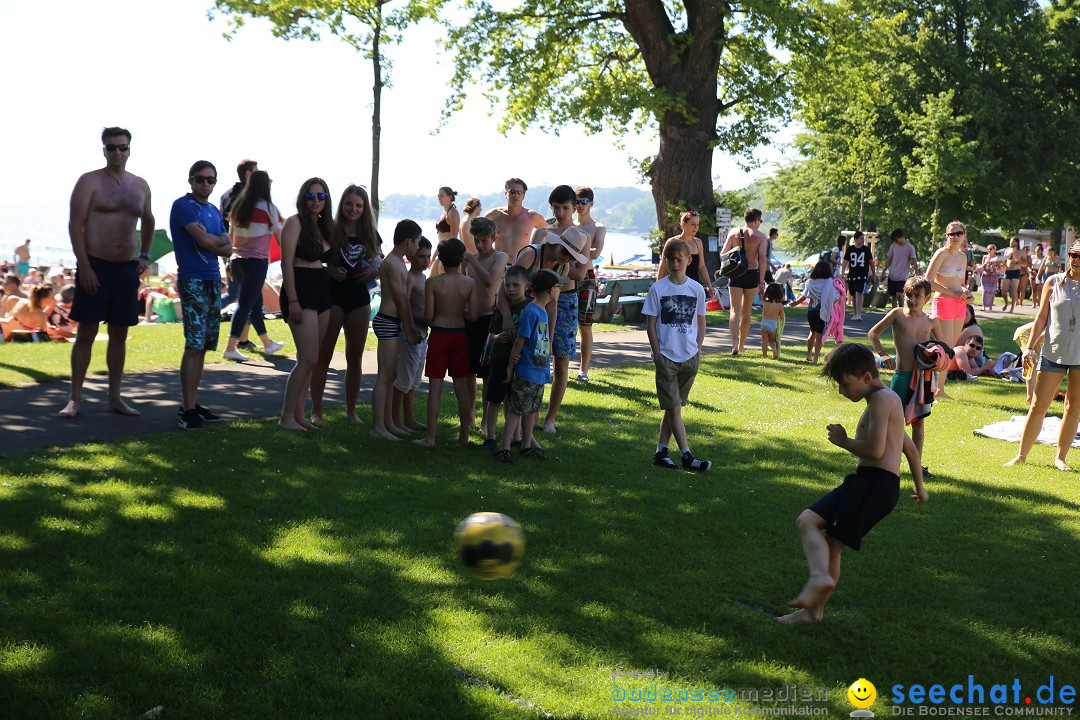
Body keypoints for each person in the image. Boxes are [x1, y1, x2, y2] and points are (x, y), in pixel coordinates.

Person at [778, 343, 927, 624]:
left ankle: (813, 611)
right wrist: (920, 487)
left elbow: (876, 451)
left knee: (833, 545)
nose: (842, 391)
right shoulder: (884, 400)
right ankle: (818, 587)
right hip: (865, 482)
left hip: (876, 485)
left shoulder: (883, 400)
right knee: (807, 520)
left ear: (866, 378)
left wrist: (845, 441)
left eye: (845, 384)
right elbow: (908, 448)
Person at [60, 127, 155, 419]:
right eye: (112, 147)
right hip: (95, 265)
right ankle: (74, 399)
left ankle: (115, 397)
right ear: (104, 150)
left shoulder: (140, 185)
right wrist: (84, 265)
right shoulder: (89, 182)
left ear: (129, 150)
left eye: (122, 147)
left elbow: (149, 220)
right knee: (86, 332)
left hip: (126, 268)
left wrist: (145, 256)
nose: (117, 153)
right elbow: (75, 224)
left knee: (119, 333)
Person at [310, 185, 383, 424]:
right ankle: (317, 411)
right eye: (349, 204)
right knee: (324, 356)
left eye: (359, 206)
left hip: (359, 300)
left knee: (355, 357)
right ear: (341, 205)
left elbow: (381, 262)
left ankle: (351, 411)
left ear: (365, 209)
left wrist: (373, 270)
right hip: (332, 298)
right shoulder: (329, 230)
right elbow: (313, 264)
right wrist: (329, 270)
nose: (354, 209)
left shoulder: (370, 233)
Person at [1006, 240, 1080, 472]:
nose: (1076, 259)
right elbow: (1040, 318)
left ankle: (1060, 457)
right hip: (1053, 352)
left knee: (1073, 407)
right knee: (1038, 405)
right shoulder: (1054, 282)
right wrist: (1028, 347)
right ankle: (1021, 455)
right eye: (1073, 254)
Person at [170, 161, 233, 429]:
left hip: (212, 280)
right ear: (190, 180)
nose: (205, 184)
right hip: (192, 279)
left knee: (204, 345)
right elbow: (208, 242)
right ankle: (187, 409)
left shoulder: (213, 211)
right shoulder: (183, 206)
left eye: (210, 180)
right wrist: (215, 241)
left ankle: (192, 403)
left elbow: (229, 248)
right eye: (200, 179)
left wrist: (215, 241)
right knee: (194, 343)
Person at [867, 275, 945, 476]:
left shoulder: (931, 321)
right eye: (909, 295)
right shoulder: (898, 314)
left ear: (927, 298)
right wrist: (883, 354)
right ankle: (885, 460)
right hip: (901, 376)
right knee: (893, 420)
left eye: (917, 296)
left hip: (922, 379)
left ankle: (916, 465)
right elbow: (873, 333)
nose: (912, 300)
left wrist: (936, 359)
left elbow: (944, 348)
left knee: (919, 423)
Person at [645, 239, 711, 472]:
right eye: (670, 259)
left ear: (688, 261)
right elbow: (650, 325)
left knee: (673, 408)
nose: (675, 263)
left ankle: (661, 452)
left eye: (679, 259)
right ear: (665, 260)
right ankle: (687, 456)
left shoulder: (696, 289)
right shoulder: (658, 289)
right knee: (673, 408)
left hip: (690, 357)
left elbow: (701, 321)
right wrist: (657, 354)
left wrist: (698, 348)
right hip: (667, 358)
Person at [278, 178, 334, 431]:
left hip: (321, 287)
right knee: (308, 359)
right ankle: (286, 417)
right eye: (311, 196)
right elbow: (286, 264)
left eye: (321, 197)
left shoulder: (323, 226)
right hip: (300, 288)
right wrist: (293, 301)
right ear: (303, 198)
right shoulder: (294, 222)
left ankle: (299, 415)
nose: (316, 201)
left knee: (311, 357)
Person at [414, 238, 479, 447]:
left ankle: (430, 437)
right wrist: (459, 310)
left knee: (435, 386)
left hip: (439, 334)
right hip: (459, 334)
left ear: (439, 259)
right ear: (462, 259)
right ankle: (464, 436)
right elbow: (474, 316)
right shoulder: (469, 283)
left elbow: (428, 315)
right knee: (461, 387)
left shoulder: (432, 282)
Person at [496, 268, 561, 463]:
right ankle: (505, 449)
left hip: (538, 373)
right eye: (557, 287)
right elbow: (520, 341)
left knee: (531, 411)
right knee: (516, 411)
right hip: (526, 372)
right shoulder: (531, 312)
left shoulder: (542, 312)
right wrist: (510, 367)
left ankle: (526, 446)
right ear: (551, 290)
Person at [221, 170, 285, 361]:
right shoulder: (268, 208)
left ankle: (268, 344)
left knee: (256, 304)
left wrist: (227, 261)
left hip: (237, 261)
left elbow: (230, 237)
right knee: (245, 304)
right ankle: (230, 347)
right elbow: (280, 238)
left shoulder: (239, 207)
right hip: (256, 263)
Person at [371, 220, 423, 439]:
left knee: (390, 375)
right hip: (387, 321)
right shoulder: (392, 263)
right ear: (409, 241)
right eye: (418, 243)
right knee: (385, 376)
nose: (418, 248)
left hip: (393, 322)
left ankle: (389, 423)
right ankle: (378, 428)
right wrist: (410, 327)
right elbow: (401, 300)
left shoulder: (398, 262)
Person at [462, 217, 508, 433]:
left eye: (484, 241)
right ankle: (470, 418)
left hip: (490, 320)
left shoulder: (500, 257)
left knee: (488, 374)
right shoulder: (470, 261)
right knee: (469, 371)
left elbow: (490, 281)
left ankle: (485, 423)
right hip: (470, 319)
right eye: (476, 241)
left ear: (494, 238)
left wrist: (472, 262)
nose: (480, 246)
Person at [482, 265, 531, 453]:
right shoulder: (501, 309)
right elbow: (490, 334)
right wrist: (496, 338)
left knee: (515, 400)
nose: (510, 289)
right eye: (507, 285)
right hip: (500, 357)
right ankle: (491, 437)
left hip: (521, 361)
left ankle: (515, 438)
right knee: (494, 398)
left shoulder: (529, 307)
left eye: (515, 285)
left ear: (526, 286)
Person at [925, 221, 973, 398]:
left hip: (958, 304)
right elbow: (928, 281)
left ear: (964, 235)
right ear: (946, 236)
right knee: (943, 347)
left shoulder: (962, 257)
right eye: (951, 234)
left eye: (958, 233)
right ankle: (934, 387)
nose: (955, 237)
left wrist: (965, 292)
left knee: (951, 348)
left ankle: (940, 389)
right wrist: (952, 292)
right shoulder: (941, 254)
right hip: (943, 302)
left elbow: (961, 284)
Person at [391, 237, 432, 433]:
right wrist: (424, 318)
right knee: (403, 379)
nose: (426, 260)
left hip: (423, 333)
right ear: (410, 257)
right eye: (421, 256)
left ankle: (409, 418)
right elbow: (404, 305)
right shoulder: (410, 278)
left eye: (429, 256)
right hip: (411, 333)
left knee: (414, 379)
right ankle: (395, 420)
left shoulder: (424, 278)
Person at [719, 208, 769, 355]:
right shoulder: (761, 237)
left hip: (736, 274)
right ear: (756, 219)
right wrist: (761, 281)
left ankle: (734, 345)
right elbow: (763, 259)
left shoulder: (734, 233)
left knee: (734, 310)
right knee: (746, 312)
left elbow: (723, 254)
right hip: (752, 274)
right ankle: (741, 346)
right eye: (760, 220)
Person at [575, 186, 607, 382]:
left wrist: (570, 249)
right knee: (561, 323)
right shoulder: (568, 225)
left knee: (585, 325)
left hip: (587, 277)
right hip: (568, 277)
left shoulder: (598, 227)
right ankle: (556, 366)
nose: (580, 205)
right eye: (577, 201)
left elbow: (595, 253)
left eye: (583, 201)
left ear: (591, 203)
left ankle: (583, 369)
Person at [658, 211, 716, 300]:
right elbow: (663, 266)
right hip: (675, 285)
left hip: (693, 286)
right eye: (693, 224)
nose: (696, 227)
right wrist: (658, 286)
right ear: (684, 224)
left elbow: (701, 267)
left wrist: (709, 286)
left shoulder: (698, 243)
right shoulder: (672, 242)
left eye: (698, 224)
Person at [485, 178, 548, 258]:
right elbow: (478, 236)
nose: (516, 195)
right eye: (512, 192)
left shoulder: (533, 217)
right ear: (506, 194)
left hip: (522, 266)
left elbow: (550, 236)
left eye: (519, 192)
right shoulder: (493, 215)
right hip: (498, 264)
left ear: (523, 196)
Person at [789, 260, 834, 364]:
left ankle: (808, 354)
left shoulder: (810, 282)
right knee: (819, 336)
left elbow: (804, 296)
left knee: (812, 332)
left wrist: (794, 303)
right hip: (822, 310)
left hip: (811, 311)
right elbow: (833, 297)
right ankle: (815, 359)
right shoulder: (829, 282)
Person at [843, 230, 876, 321]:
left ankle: (859, 313)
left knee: (859, 292)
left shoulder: (866, 249)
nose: (862, 240)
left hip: (862, 275)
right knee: (853, 294)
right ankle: (855, 313)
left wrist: (873, 274)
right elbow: (845, 261)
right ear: (855, 239)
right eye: (861, 238)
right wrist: (842, 272)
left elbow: (871, 262)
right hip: (852, 274)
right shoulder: (850, 249)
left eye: (863, 239)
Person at [881, 229, 917, 308]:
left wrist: (916, 274)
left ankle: (901, 310)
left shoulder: (910, 248)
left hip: (902, 276)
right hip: (892, 274)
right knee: (893, 296)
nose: (895, 242)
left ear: (901, 237)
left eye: (896, 240)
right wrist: (883, 271)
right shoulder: (893, 246)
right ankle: (894, 313)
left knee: (899, 294)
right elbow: (889, 259)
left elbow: (914, 261)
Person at [219, 159, 257, 231]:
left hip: (225, 237)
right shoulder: (249, 196)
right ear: (248, 174)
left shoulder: (224, 195)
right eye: (256, 173)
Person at [759, 282, 786, 360]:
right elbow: (782, 316)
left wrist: (760, 292)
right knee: (772, 340)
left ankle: (764, 356)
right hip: (773, 324)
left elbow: (760, 298)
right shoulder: (779, 305)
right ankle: (774, 349)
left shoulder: (765, 302)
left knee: (764, 341)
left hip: (764, 323)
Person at [1002, 236, 1023, 312]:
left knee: (1014, 290)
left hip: (1016, 271)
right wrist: (1002, 263)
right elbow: (1004, 260)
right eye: (1010, 241)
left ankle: (1012, 308)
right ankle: (1007, 303)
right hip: (1007, 271)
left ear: (1017, 243)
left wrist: (1018, 262)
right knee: (1004, 290)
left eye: (1013, 242)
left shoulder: (1021, 252)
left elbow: (1025, 263)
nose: (1011, 243)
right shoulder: (1007, 250)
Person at [1030, 244, 1046, 308]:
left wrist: (1039, 273)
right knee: (1034, 289)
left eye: (1038, 250)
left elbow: (1044, 266)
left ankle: (1039, 303)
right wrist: (1031, 271)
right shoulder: (1032, 257)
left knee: (1040, 289)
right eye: (1036, 250)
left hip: (1041, 273)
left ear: (1041, 251)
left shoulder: (1043, 258)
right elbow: (1029, 265)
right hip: (1033, 272)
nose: (1037, 251)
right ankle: (1033, 303)